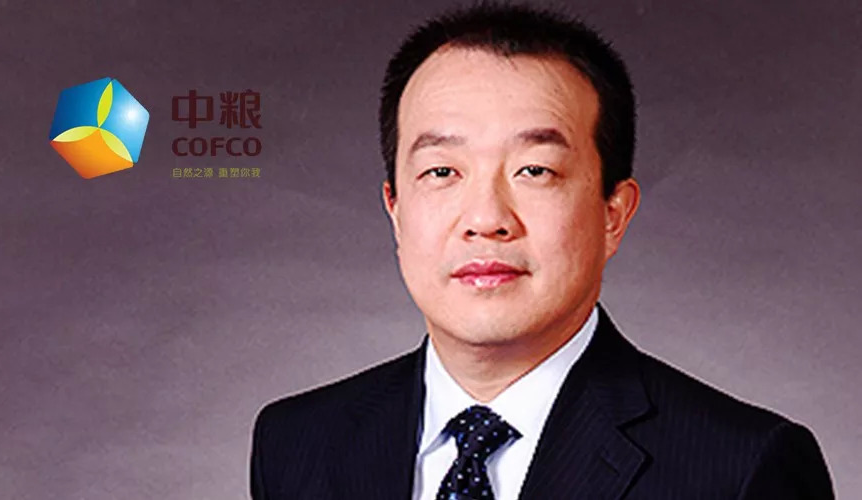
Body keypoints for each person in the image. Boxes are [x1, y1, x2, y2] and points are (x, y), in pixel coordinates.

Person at [249, 3, 834, 499]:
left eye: (535, 170)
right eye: (442, 171)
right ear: (395, 209)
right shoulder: (298, 444)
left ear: (613, 213)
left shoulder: (743, 469)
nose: (486, 220)